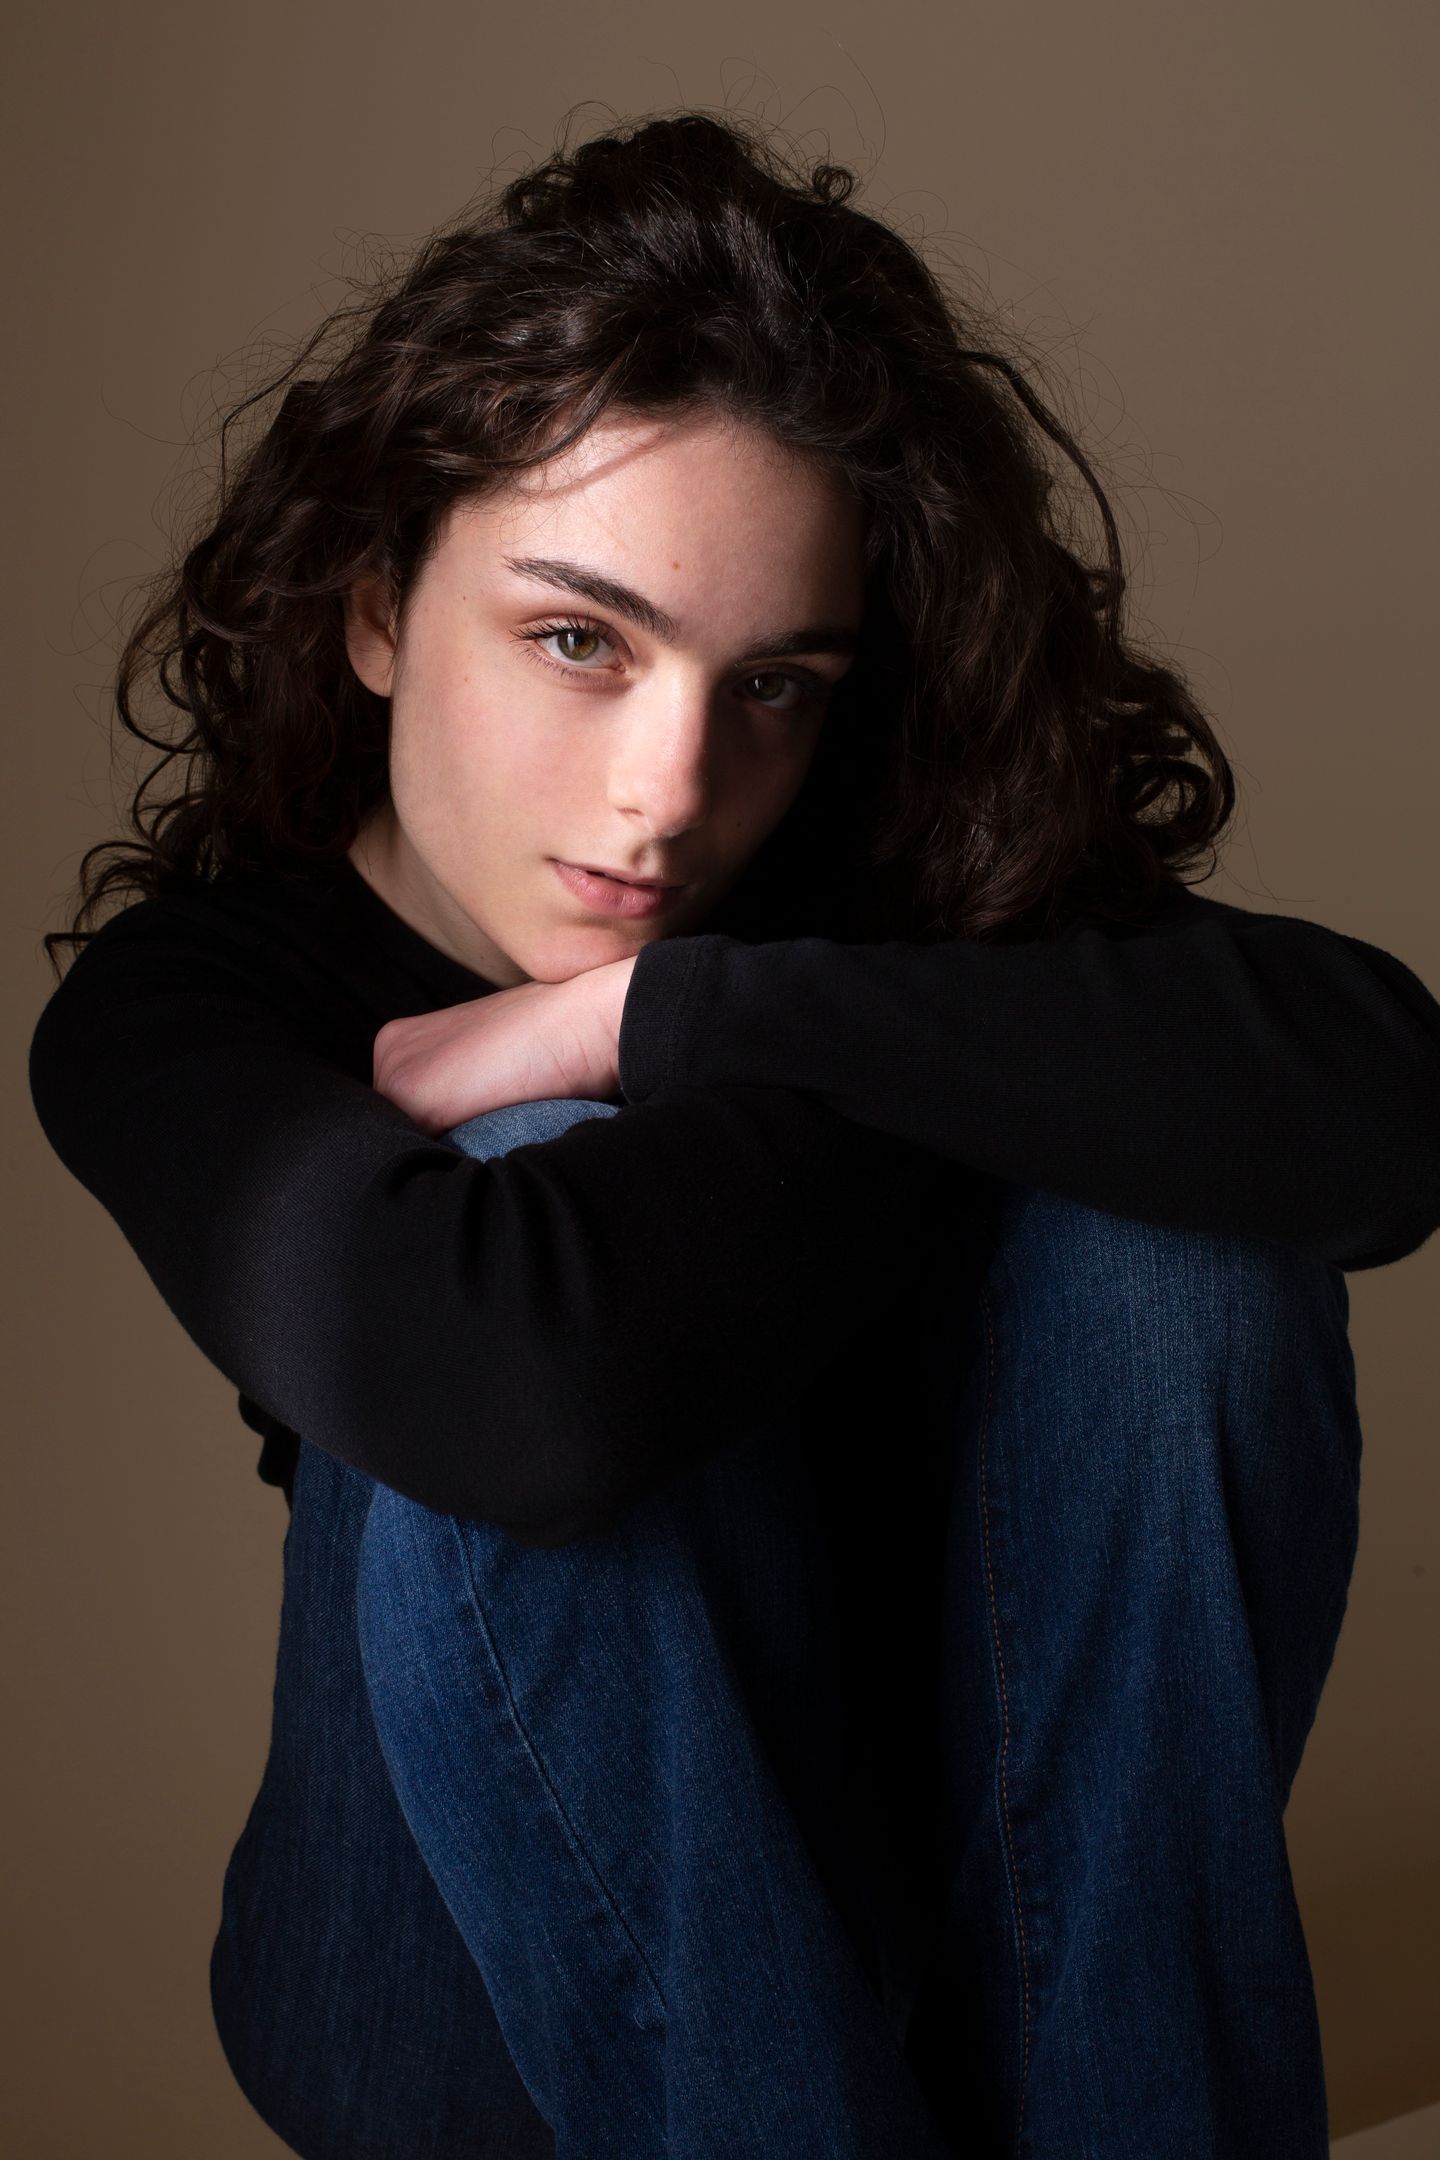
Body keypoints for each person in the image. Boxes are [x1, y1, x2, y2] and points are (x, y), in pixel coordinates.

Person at [27, 109, 1440, 2160]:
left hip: (964, 1936)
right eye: (577, 641)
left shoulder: (829, 915)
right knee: (527, 1196)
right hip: (461, 1996)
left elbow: (1388, 1107)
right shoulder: (193, 1002)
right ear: (373, 607)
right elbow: (518, 1388)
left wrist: (676, 1015)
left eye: (770, 685)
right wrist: (941, 1082)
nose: (668, 793)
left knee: (1178, 1249)